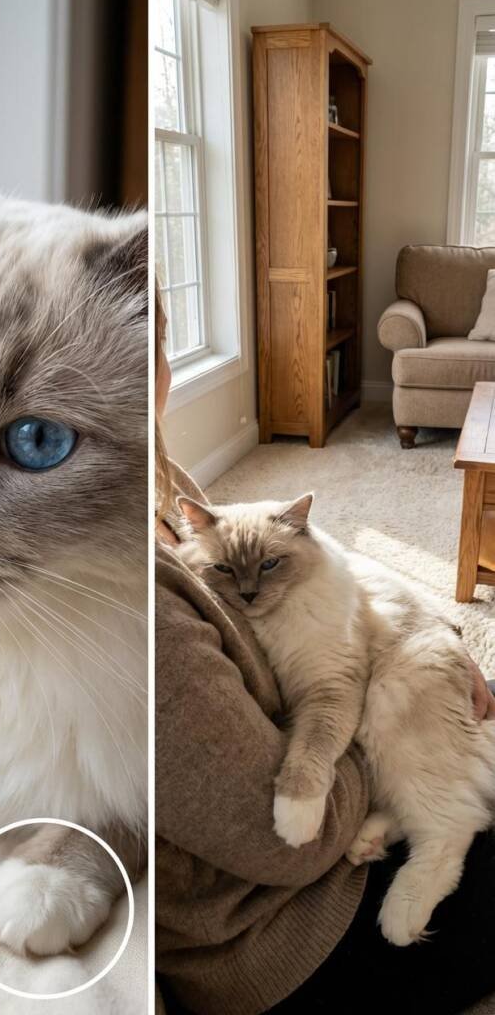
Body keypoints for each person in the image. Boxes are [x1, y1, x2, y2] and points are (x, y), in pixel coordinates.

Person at [154, 307, 495, 1015]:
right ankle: (437, 838)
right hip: (283, 935)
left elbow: (327, 556)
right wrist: (385, 762)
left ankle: (421, 812)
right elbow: (280, 842)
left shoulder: (159, 480)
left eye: (153, 339)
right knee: (435, 762)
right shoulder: (144, 606)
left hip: (341, 830)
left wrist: (439, 629)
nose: (154, 364)